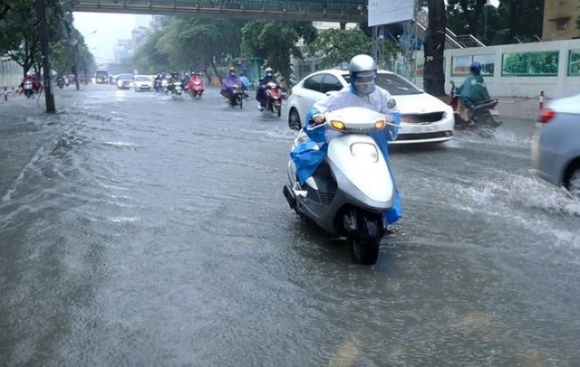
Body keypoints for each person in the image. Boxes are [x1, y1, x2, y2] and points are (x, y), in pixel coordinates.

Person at [291, 54, 403, 225]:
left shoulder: (382, 95)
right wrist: (317, 116)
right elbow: (318, 109)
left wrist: (390, 119)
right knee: (318, 164)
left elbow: (394, 113)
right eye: (361, 78)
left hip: (373, 144)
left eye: (370, 77)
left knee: (384, 175)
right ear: (352, 77)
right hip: (343, 141)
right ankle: (314, 197)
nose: (366, 82)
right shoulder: (341, 96)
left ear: (375, 76)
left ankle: (387, 218)